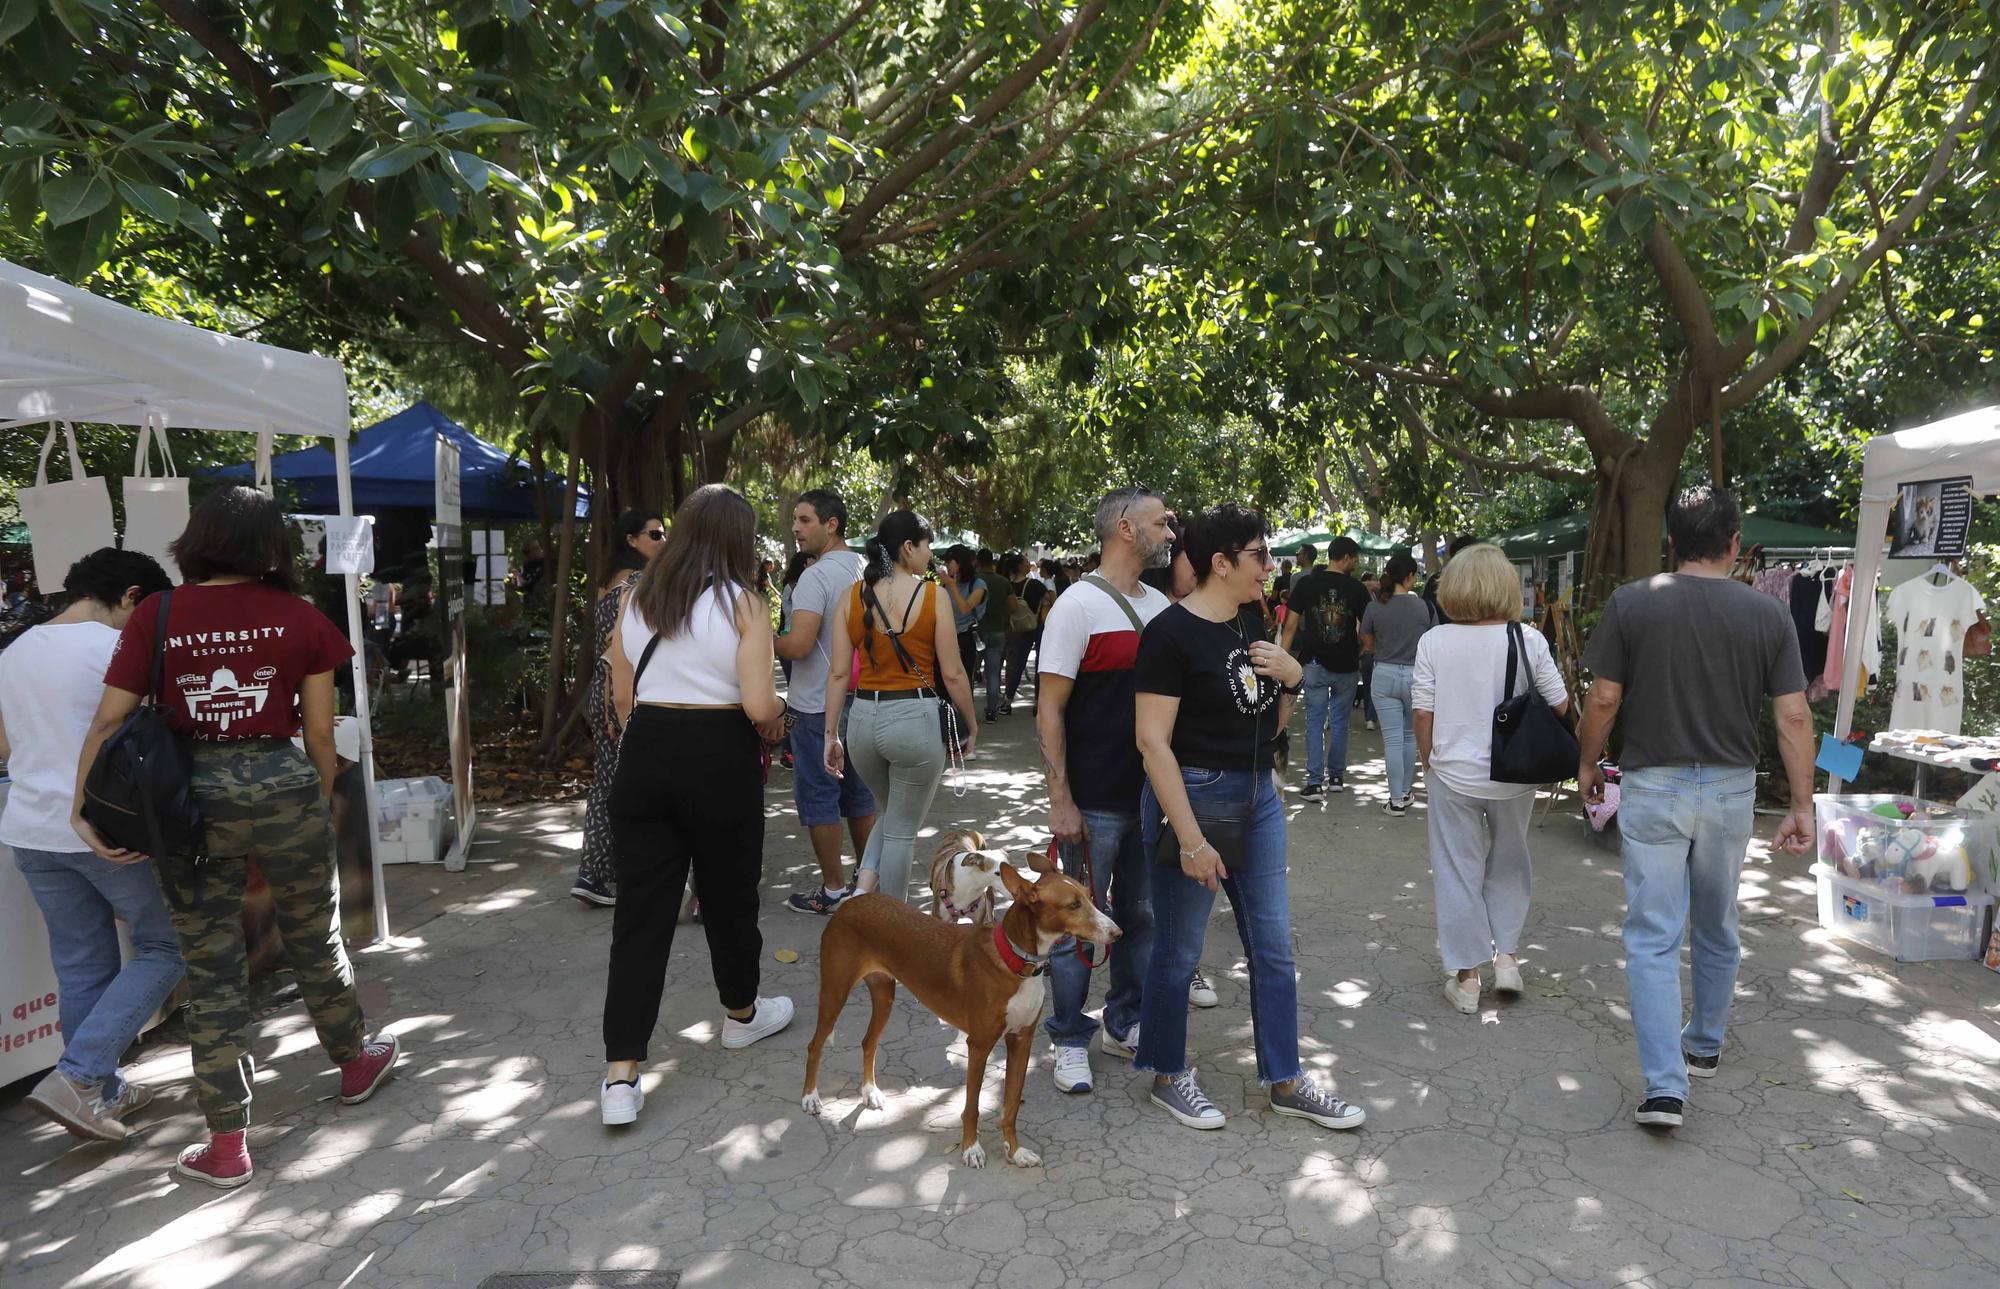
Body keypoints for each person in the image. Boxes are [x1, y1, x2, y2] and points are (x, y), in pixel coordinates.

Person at [73, 487, 401, 1188]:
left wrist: (81, 809)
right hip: (283, 783)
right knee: (316, 934)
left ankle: (227, 1143)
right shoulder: (301, 617)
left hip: (188, 801)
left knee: (212, 961)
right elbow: (319, 733)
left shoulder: (158, 614)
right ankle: (352, 1063)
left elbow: (107, 723)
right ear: (272, 546)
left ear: (198, 539)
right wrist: (309, 802)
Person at [1578, 485, 1814, 1131]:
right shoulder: (1767, 616)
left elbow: (1602, 698)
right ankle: (1704, 1044)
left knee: (1653, 935)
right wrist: (1801, 805)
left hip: (1653, 785)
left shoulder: (1632, 603)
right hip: (1732, 789)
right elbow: (1793, 714)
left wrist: (1587, 763)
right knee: (1717, 920)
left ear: (1672, 541)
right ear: (1736, 543)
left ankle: (1664, 1089)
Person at [1133, 503, 1366, 1134]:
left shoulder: (1250, 621)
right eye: (1261, 555)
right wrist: (1189, 839)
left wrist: (1292, 682)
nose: (1271, 567)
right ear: (1222, 563)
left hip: (1258, 795)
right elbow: (1152, 743)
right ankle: (1166, 1071)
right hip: (1194, 797)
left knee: (1272, 947)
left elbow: (1267, 725)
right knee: (1179, 952)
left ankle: (1286, 1079)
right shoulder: (1169, 635)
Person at [599, 484, 792, 1128]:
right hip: (718, 755)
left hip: (647, 750)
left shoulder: (638, 597)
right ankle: (741, 1014)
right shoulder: (745, 606)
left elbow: (622, 693)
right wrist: (782, 718)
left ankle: (621, 1075)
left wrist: (646, 740)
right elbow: (760, 707)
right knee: (729, 896)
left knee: (640, 917)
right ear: (737, 539)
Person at [4, 548, 181, 1144]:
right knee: (167, 944)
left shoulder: (15, 651)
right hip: (105, 830)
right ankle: (78, 1077)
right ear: (131, 596)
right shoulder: (114, 649)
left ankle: (101, 1091)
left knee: (82, 964)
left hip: (29, 829)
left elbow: (4, 748)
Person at [1038, 488, 1174, 1095]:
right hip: (1093, 800)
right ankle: (1068, 1037)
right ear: (1125, 528)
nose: (1170, 532)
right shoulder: (1076, 607)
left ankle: (1124, 1021)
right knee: (1075, 926)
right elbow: (1049, 710)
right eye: (1160, 522)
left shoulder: (1164, 605)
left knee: (1141, 918)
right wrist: (1060, 797)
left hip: (1151, 800)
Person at [1411, 544, 1568, 1016]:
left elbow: (1423, 711)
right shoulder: (1529, 639)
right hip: (1516, 773)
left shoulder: (1435, 641)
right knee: (1510, 860)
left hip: (1453, 772)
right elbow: (1559, 704)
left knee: (1458, 868)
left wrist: (1428, 761)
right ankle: (1508, 959)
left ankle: (1467, 977)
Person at [824, 511, 978, 901]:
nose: (931, 556)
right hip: (913, 720)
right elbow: (954, 673)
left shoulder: (851, 596)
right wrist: (971, 725)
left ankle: (861, 895)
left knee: (889, 810)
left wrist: (830, 735)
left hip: (861, 722)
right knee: (900, 830)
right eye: (927, 546)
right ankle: (893, 929)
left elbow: (839, 674)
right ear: (908, 547)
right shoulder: (933, 596)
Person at [775, 489, 879, 916]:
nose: (796, 529)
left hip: (817, 704)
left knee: (819, 796)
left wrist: (754, 638)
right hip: (864, 697)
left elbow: (798, 645)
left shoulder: (816, 577)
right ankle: (868, 886)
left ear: (831, 524)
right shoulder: (864, 568)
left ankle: (834, 889)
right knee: (861, 796)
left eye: (805, 520)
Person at [573, 509, 667, 907]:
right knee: (638, 785)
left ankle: (596, 873)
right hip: (622, 691)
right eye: (655, 534)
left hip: (602, 690)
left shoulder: (608, 582)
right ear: (631, 540)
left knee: (607, 783)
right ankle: (616, 872)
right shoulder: (639, 583)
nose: (662, 541)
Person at [1282, 536, 1371, 796]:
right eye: (1354, 558)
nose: (1355, 562)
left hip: (1314, 663)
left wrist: (1283, 659)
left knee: (1315, 722)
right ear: (1346, 557)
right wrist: (1362, 649)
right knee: (1341, 723)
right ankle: (1336, 778)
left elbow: (1290, 625)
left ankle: (1313, 783)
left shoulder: (1308, 584)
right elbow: (1367, 629)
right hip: (1346, 665)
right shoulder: (1357, 589)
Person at [1361, 553, 1432, 817]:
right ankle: (1403, 791)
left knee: (1391, 740)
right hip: (1417, 675)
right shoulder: (1424, 607)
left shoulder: (1375, 606)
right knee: (1409, 737)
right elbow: (1431, 643)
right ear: (1410, 576)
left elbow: (1366, 642)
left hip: (1385, 673)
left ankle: (1395, 800)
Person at [940, 545, 988, 696]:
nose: (946, 565)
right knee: (943, 682)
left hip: (966, 637)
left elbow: (965, 608)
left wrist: (952, 586)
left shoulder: (978, 585)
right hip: (945, 638)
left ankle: (964, 717)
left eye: (949, 561)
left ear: (960, 563)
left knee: (963, 681)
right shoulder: (947, 584)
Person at [1002, 553, 1047, 709]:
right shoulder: (1034, 584)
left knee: (1017, 664)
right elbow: (1048, 599)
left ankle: (1008, 701)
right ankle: (1037, 702)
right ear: (1020, 566)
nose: (1029, 564)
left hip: (1018, 628)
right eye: (1026, 561)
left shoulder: (1008, 585)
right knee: (1040, 665)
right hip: (1038, 626)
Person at [975, 548, 1013, 720]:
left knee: (969, 670)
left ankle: (963, 712)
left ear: (978, 562)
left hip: (976, 631)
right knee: (993, 672)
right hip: (998, 629)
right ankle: (991, 710)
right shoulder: (1004, 582)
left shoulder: (975, 581)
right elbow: (1014, 606)